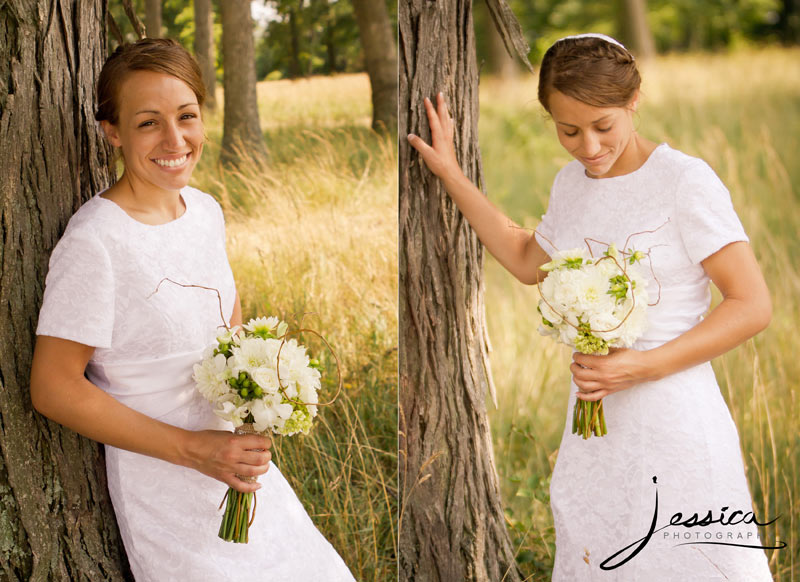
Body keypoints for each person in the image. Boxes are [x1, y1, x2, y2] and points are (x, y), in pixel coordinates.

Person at [407, 34, 774, 581]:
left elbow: (751, 305)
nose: (589, 147)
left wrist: (640, 366)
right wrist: (453, 176)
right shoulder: (571, 184)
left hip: (675, 418)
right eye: (568, 130)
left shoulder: (684, 181)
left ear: (634, 102)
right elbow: (529, 259)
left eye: (604, 126)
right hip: (596, 428)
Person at [30, 38, 354, 582]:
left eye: (186, 116)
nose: (174, 139)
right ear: (112, 132)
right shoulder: (96, 241)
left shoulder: (205, 212)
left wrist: (262, 397)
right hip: (166, 489)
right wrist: (193, 450)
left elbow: (227, 326)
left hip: (242, 473)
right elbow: (53, 386)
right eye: (148, 123)